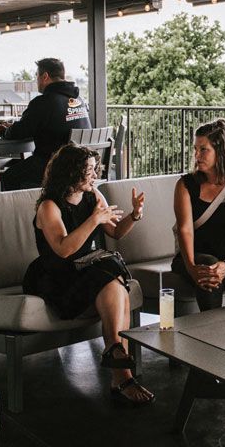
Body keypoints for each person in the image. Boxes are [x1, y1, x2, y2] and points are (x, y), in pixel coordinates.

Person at [22, 145, 153, 405]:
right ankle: (120, 371)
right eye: (89, 170)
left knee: (115, 281)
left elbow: (115, 232)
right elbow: (62, 250)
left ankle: (119, 367)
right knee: (112, 273)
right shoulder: (49, 206)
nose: (94, 175)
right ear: (71, 173)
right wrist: (94, 220)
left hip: (84, 269)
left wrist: (135, 215)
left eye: (94, 169)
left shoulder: (93, 196)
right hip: (55, 277)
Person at [172, 119, 225, 311]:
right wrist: (191, 267)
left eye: (203, 150)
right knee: (208, 267)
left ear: (221, 151)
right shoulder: (185, 185)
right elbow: (184, 230)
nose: (196, 155)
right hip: (194, 257)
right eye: (195, 149)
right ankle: (210, 334)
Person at [0, 58, 91, 191]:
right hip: (81, 166)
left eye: (37, 77)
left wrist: (4, 131)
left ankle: (27, 211)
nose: (37, 81)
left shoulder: (44, 102)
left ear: (45, 76)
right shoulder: (79, 100)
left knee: (10, 176)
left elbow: (19, 131)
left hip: (54, 167)